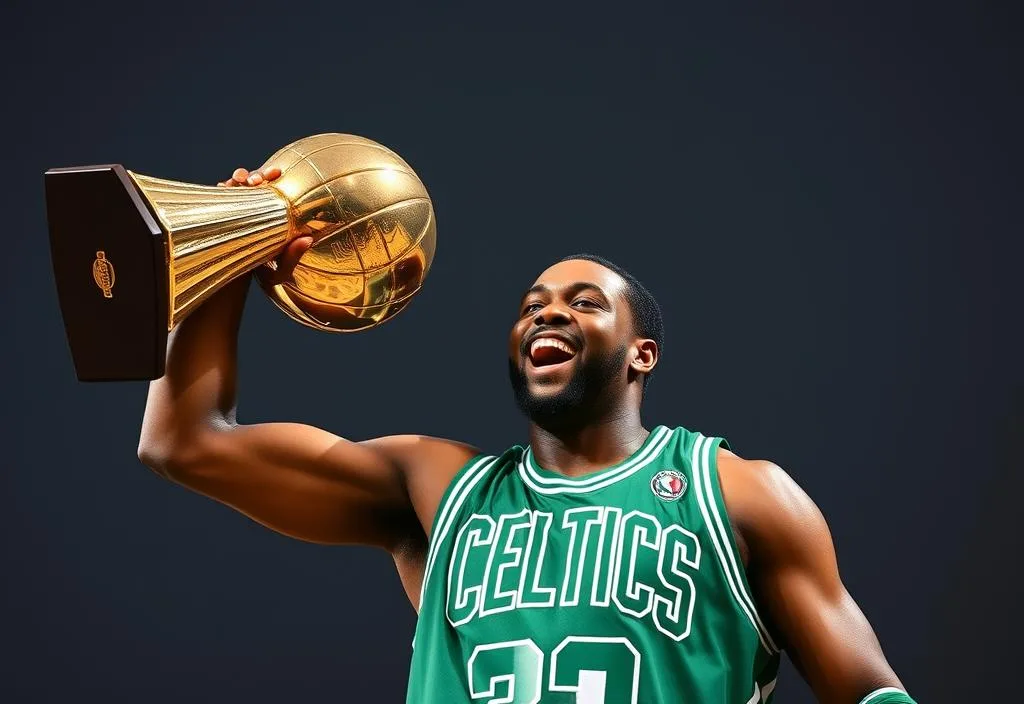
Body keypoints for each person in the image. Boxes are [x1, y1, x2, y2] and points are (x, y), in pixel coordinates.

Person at [138, 165, 917, 704]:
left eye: (584, 303)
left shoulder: (736, 493)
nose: (547, 312)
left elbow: (867, 688)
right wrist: (229, 247)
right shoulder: (439, 490)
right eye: (533, 303)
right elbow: (185, 443)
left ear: (642, 353)